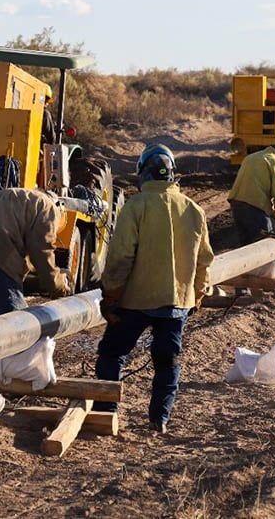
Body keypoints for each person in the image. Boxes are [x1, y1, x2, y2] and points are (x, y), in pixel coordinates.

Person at [95, 144, 214, 433]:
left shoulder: (136, 207)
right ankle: (159, 419)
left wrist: (111, 295)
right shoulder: (193, 209)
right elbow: (204, 261)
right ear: (173, 174)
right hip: (176, 303)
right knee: (167, 360)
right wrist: (197, 294)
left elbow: (121, 257)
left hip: (135, 301)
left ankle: (106, 413)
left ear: (143, 173)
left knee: (112, 353)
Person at [0, 188, 73, 318]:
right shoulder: (48, 206)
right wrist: (58, 286)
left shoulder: (14, 196)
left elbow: (25, 255)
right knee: (16, 323)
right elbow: (41, 251)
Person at [228, 144, 275, 245]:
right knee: (265, 246)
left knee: (245, 247)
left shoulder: (250, 157)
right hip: (256, 209)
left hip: (237, 207)